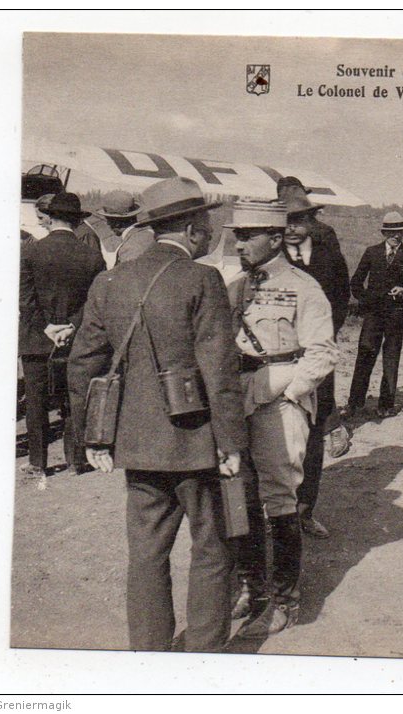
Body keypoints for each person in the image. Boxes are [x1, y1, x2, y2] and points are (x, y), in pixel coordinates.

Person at [67, 177, 246, 652]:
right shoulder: (203, 279)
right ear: (190, 227)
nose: (209, 231)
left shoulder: (110, 282)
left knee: (146, 554)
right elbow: (220, 368)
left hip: (136, 444)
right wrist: (231, 444)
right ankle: (204, 653)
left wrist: (93, 438)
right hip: (198, 443)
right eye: (205, 223)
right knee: (212, 549)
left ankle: (149, 655)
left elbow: (84, 362)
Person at [227, 199, 338, 638]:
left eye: (249, 235)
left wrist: (290, 395)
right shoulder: (234, 286)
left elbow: (322, 353)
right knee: (242, 496)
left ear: (275, 238)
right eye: (236, 235)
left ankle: (284, 600)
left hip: (278, 403)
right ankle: (252, 588)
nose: (240, 244)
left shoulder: (304, 288)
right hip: (240, 400)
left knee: (279, 501)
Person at [278, 178, 352, 539]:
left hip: (317, 358)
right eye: (286, 220)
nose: (292, 228)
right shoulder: (269, 254)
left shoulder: (328, 251)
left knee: (314, 432)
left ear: (311, 220)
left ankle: (305, 511)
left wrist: (321, 340)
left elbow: (341, 298)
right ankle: (280, 511)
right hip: (279, 361)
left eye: (299, 220)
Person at [19, 192, 106, 477]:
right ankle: (77, 460)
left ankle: (37, 462)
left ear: (51, 217)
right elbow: (95, 302)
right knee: (73, 398)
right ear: (76, 219)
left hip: (36, 338)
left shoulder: (30, 251)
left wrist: (46, 325)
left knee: (35, 402)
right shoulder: (92, 256)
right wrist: (71, 325)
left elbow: (25, 299)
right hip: (75, 338)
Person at [345, 211, 403, 419]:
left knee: (391, 360)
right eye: (391, 231)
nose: (395, 236)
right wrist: (367, 300)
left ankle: (386, 405)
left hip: (397, 315)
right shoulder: (371, 253)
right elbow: (355, 283)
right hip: (373, 315)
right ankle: (355, 403)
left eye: (399, 232)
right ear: (384, 232)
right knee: (365, 356)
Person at [89, 190, 156, 268]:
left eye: (108, 219)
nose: (108, 224)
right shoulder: (149, 234)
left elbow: (126, 277)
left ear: (116, 222)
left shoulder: (130, 248)